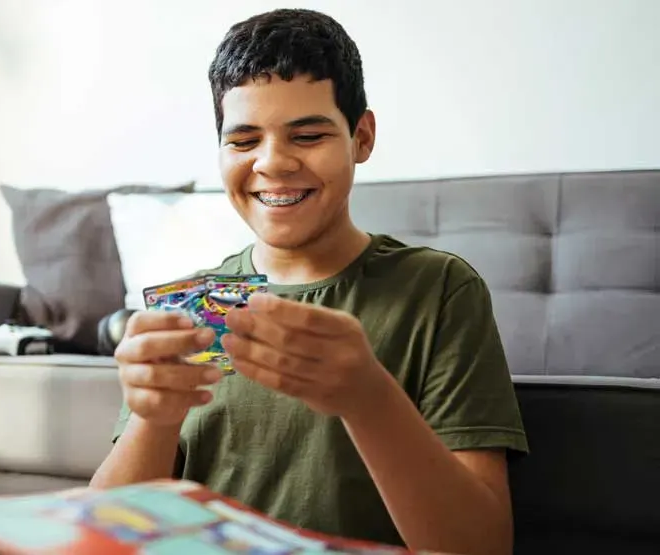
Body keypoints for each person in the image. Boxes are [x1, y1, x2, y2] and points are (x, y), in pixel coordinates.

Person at [90, 8, 528, 555]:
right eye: (243, 141)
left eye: (308, 135)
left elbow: (482, 545)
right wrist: (152, 419)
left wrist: (368, 398)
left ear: (361, 137)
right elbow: (102, 534)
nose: (273, 163)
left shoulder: (439, 290)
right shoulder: (192, 305)